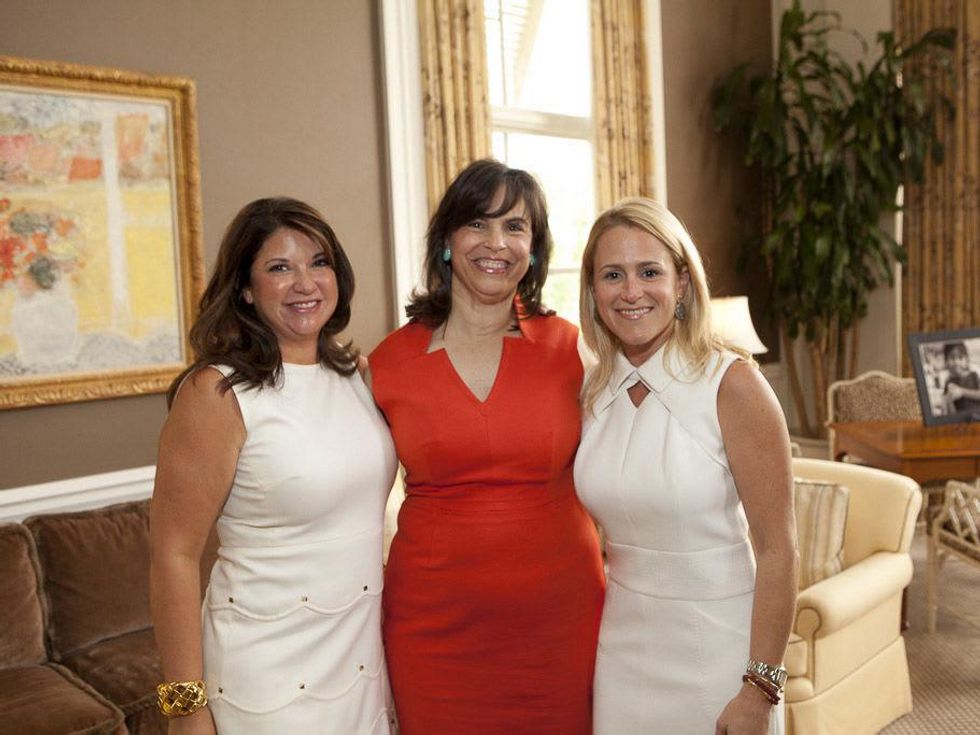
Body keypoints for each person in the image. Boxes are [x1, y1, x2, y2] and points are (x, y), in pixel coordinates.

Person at [368, 159, 605, 734]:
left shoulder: (575, 350)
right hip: (433, 634)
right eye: (478, 223)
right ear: (447, 241)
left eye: (516, 227)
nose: (496, 243)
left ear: (534, 249)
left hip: (562, 625)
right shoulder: (386, 364)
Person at [149, 198, 397, 734]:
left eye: (318, 262)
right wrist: (184, 709)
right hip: (263, 672)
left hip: (360, 664)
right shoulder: (216, 393)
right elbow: (174, 554)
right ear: (245, 288)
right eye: (279, 267)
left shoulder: (357, 373)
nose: (304, 282)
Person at [574, 197, 798, 734]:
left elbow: (779, 548)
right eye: (612, 275)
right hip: (622, 650)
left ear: (681, 283)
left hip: (719, 649)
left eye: (649, 271)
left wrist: (760, 688)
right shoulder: (592, 390)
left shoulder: (734, 385)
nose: (631, 291)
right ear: (593, 292)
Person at [942, 341, 980, 415]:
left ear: (966, 360)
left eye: (960, 358)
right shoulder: (949, 381)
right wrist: (948, 400)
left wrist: (962, 392)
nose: (956, 362)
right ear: (946, 361)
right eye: (952, 358)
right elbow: (951, 410)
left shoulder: (974, 376)